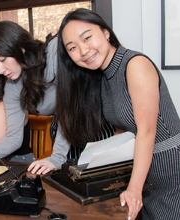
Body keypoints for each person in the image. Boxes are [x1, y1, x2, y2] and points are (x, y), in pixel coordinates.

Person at [55, 8, 180, 220]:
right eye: (72, 48)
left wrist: (134, 188)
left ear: (105, 32)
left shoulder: (135, 64)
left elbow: (147, 131)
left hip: (169, 168)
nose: (83, 50)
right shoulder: (103, 77)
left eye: (87, 38)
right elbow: (122, 131)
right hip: (144, 170)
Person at [0, 20, 70, 172]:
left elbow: (71, 105)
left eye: (2, 60)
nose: (0, 70)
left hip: (91, 121)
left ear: (20, 48)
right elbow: (13, 138)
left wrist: (57, 157)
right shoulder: (13, 87)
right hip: (64, 131)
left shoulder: (53, 53)